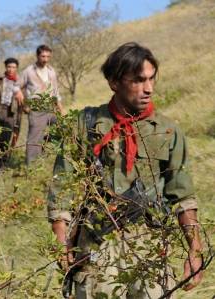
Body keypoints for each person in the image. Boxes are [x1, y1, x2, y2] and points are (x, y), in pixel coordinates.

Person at [48, 42, 202, 298]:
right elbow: (62, 190)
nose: (149, 88)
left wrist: (194, 253)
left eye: (152, 79)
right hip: (96, 250)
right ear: (114, 82)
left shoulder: (167, 131)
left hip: (151, 250)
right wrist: (62, 244)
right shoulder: (84, 125)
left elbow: (183, 198)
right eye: (138, 80)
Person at [19, 44, 65, 165]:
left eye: (48, 56)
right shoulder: (28, 71)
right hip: (36, 107)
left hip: (51, 106)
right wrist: (24, 104)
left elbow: (55, 91)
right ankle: (31, 166)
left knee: (64, 128)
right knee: (34, 137)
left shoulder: (51, 71)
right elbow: (17, 87)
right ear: (37, 56)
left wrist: (61, 109)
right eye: (43, 56)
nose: (45, 59)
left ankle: (45, 143)